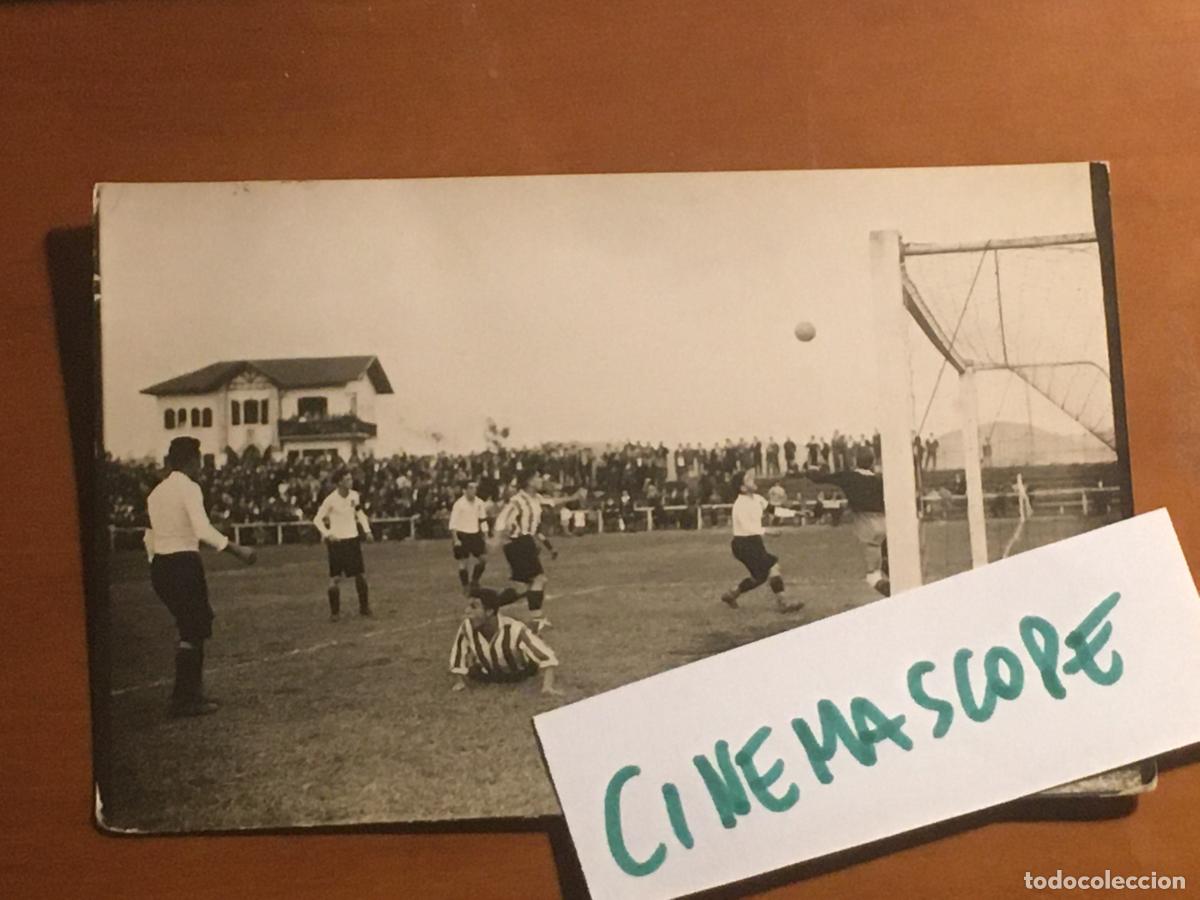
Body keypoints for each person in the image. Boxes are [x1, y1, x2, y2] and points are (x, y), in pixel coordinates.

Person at [145, 436, 256, 718]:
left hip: (161, 565)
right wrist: (237, 549)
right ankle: (185, 699)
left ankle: (191, 694)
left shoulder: (156, 493)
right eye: (199, 460)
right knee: (194, 629)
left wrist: (157, 562)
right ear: (192, 460)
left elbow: (149, 536)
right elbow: (202, 529)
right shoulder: (189, 487)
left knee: (191, 627)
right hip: (183, 563)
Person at [477, 470, 561, 633]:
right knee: (539, 579)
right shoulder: (518, 500)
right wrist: (496, 539)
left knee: (522, 588)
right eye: (537, 477)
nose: (540, 480)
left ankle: (487, 607)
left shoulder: (535, 499)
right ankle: (536, 620)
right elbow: (502, 519)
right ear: (529, 481)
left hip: (524, 543)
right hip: (518, 543)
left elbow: (551, 503)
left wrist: (574, 498)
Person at [805, 447, 890, 596]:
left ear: (855, 461)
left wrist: (810, 469)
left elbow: (820, 478)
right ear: (872, 463)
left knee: (873, 576)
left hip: (867, 524)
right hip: (886, 523)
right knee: (885, 561)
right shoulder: (880, 480)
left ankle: (897, 595)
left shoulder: (849, 477)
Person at [720, 470, 801, 613]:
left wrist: (795, 513)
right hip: (743, 544)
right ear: (743, 488)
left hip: (754, 542)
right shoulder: (740, 505)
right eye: (749, 479)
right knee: (772, 566)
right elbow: (747, 527)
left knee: (759, 577)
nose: (753, 480)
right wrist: (767, 531)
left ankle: (731, 595)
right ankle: (783, 602)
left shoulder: (757, 498)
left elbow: (773, 510)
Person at [448, 597, 562, 695]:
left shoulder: (514, 629)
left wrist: (547, 686)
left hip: (519, 674)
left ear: (489, 611)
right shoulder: (467, 626)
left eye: (474, 607)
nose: (467, 611)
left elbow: (547, 657)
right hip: (487, 675)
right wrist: (460, 681)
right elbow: (458, 653)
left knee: (526, 640)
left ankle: (536, 627)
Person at [312, 469, 374, 621]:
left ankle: (364, 607)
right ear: (339, 482)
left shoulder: (354, 496)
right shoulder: (330, 500)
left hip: (352, 540)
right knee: (335, 578)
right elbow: (317, 519)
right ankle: (335, 613)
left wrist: (367, 530)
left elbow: (359, 513)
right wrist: (327, 534)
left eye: (351, 479)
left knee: (360, 575)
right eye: (347, 479)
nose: (351, 481)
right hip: (337, 543)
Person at [448, 480, 490, 596]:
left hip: (475, 535)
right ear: (464, 490)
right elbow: (453, 524)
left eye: (475, 488)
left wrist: (485, 536)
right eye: (471, 488)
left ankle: (475, 581)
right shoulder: (459, 504)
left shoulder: (479, 503)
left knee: (483, 559)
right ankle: (465, 586)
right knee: (463, 563)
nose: (473, 491)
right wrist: (456, 539)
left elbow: (482, 520)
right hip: (462, 535)